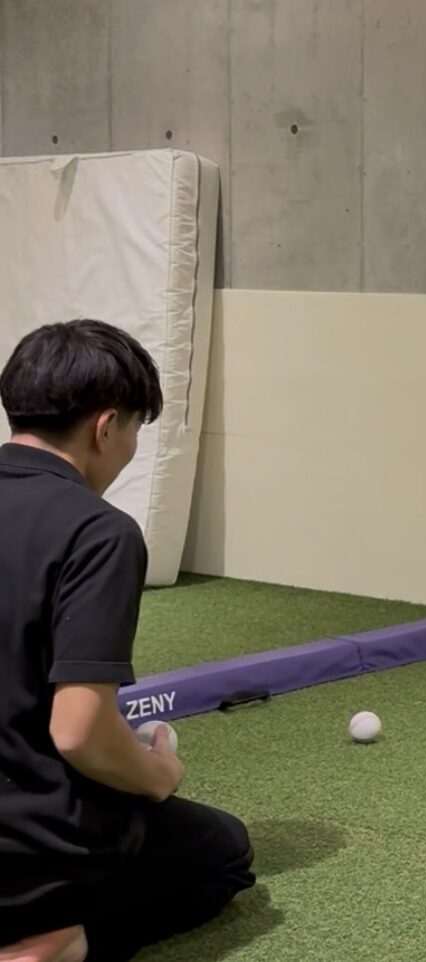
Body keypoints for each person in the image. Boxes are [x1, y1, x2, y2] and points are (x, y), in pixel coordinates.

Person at [0, 320, 255, 962]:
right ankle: (53, 942)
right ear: (106, 426)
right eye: (137, 430)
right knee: (225, 852)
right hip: (23, 851)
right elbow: (78, 732)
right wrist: (156, 775)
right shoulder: (98, 532)